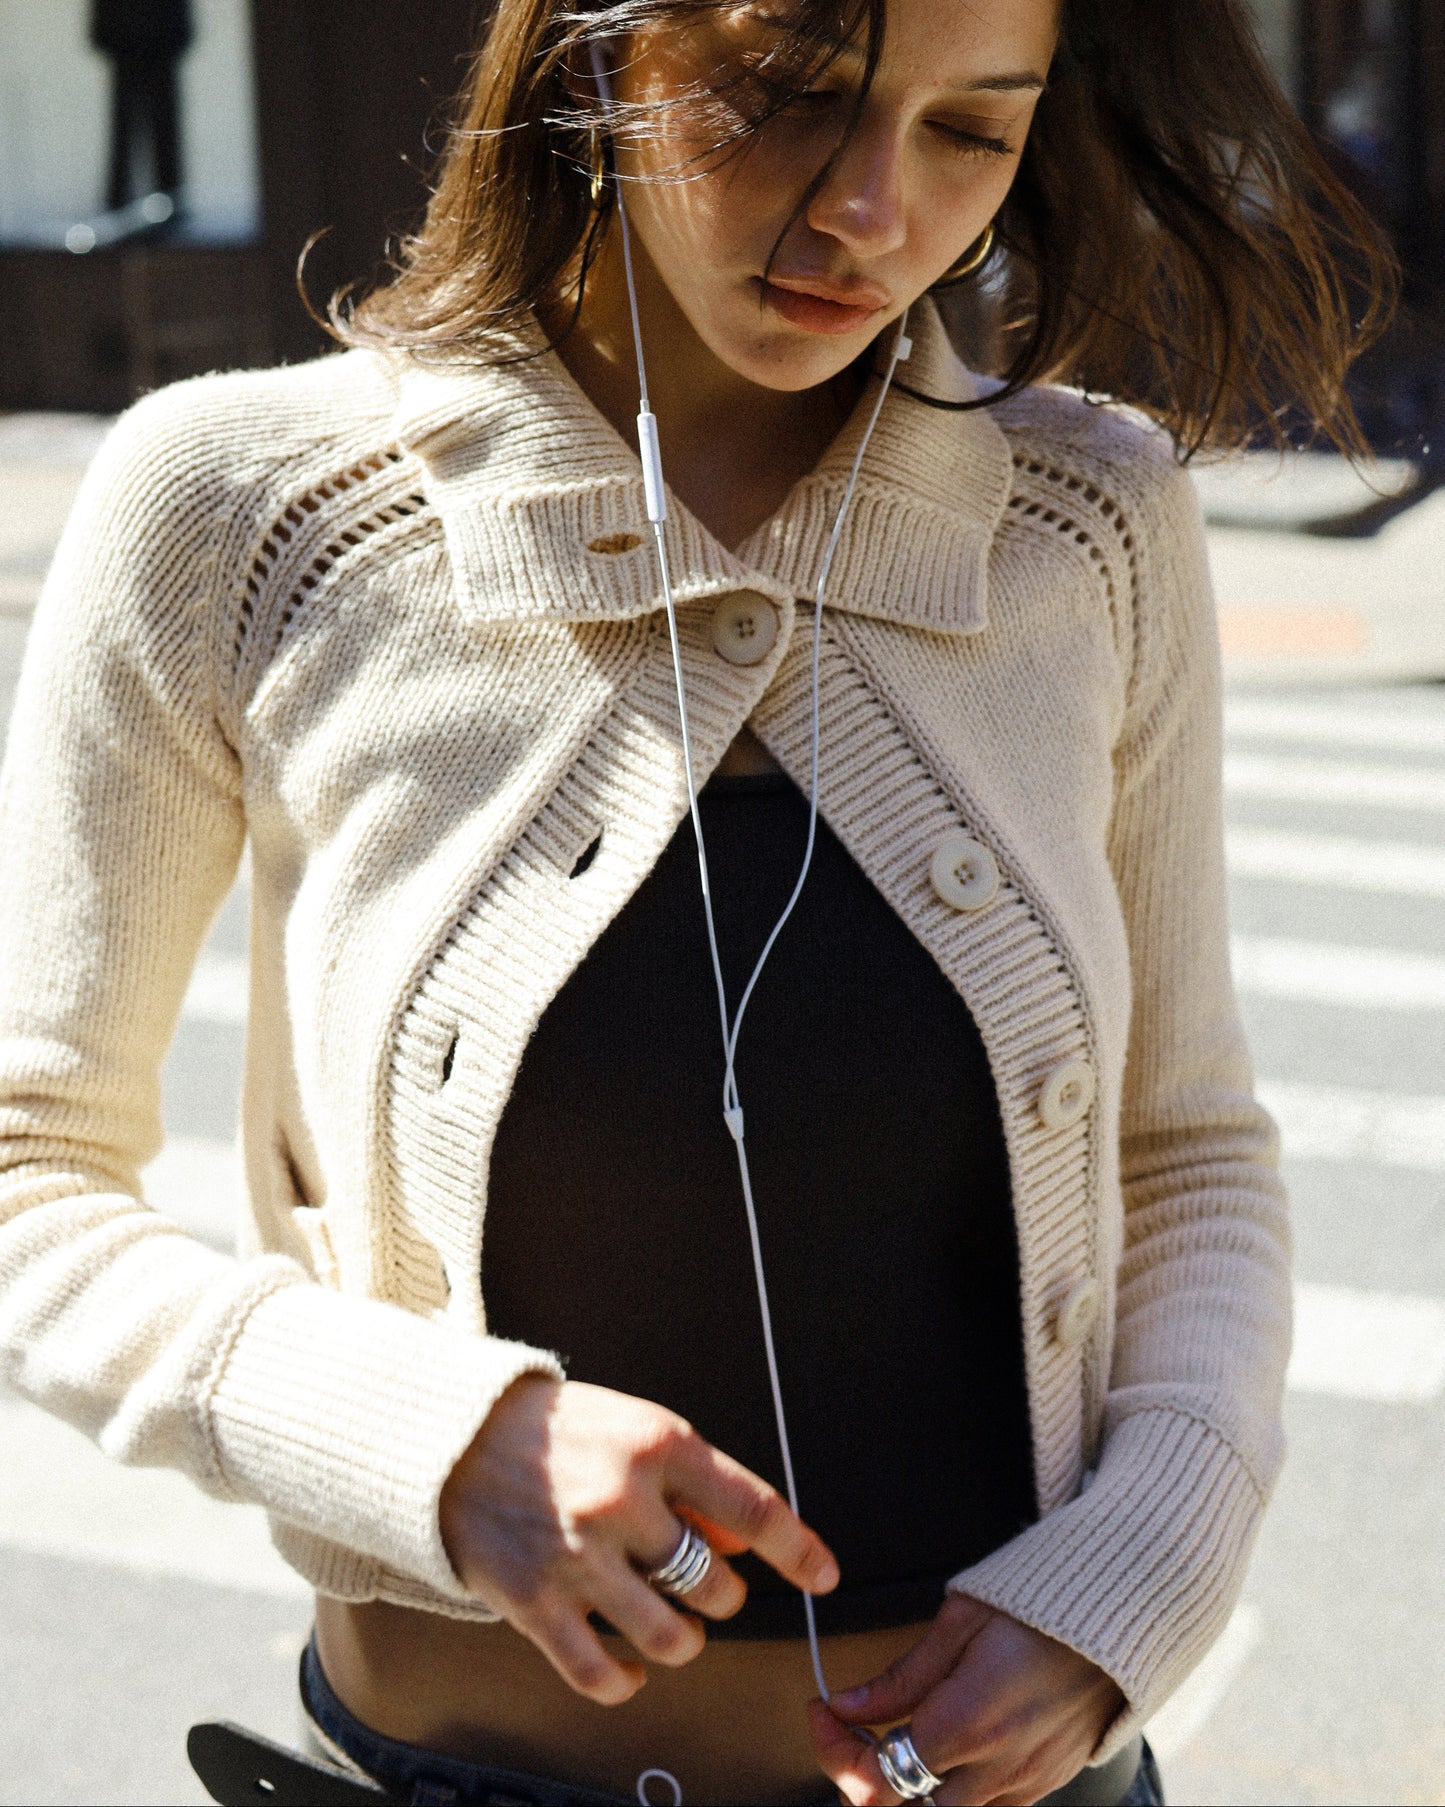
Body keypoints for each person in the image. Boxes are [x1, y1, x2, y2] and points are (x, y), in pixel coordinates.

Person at [0, 0, 1392, 1802]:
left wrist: (1137, 1586)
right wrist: (438, 1443)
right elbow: (30, 1177)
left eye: (973, 130)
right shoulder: (245, 510)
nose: (871, 211)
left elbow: (1188, 1152)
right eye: (792, 96)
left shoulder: (1093, 522)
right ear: (595, 51)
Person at [90, 0, 195, 210]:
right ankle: (166, 197)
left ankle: (123, 199)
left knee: (133, 129)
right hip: (151, 44)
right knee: (160, 130)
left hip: (135, 44)